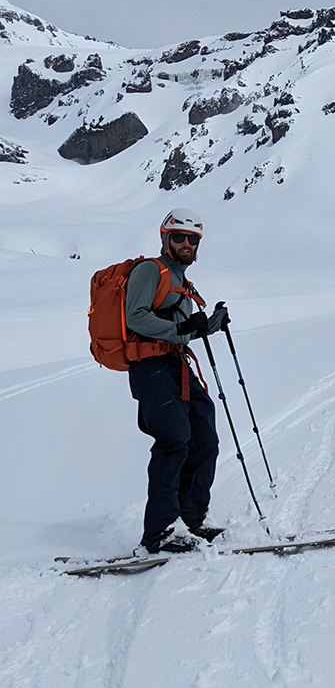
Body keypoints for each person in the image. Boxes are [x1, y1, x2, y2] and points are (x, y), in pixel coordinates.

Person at [125, 208, 229, 555]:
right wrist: (179, 329)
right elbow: (135, 317)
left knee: (205, 438)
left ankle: (193, 518)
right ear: (165, 238)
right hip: (151, 366)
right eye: (179, 237)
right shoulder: (149, 271)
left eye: (193, 239)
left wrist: (212, 322)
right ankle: (160, 533)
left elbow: (183, 330)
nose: (186, 243)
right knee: (174, 441)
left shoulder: (182, 280)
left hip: (176, 362)